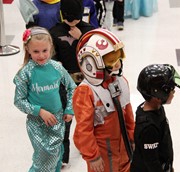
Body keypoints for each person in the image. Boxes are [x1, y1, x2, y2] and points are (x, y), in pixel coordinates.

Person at [13, 26, 76, 172]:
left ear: (51, 48)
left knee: (57, 156)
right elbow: (18, 101)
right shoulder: (25, 74)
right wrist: (39, 111)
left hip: (58, 120)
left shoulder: (57, 68)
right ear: (28, 49)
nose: (41, 55)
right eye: (36, 52)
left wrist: (69, 109)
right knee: (43, 161)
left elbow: (72, 87)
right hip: (37, 124)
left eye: (45, 51)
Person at [73, 28, 135, 172]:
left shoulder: (121, 81)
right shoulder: (86, 91)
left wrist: (132, 138)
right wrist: (92, 156)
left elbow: (128, 115)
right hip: (102, 152)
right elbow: (83, 129)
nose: (118, 65)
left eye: (119, 59)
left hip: (123, 147)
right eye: (112, 62)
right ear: (92, 64)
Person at [49, 0, 94, 167]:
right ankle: (63, 155)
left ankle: (87, 146)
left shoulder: (89, 31)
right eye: (68, 19)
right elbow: (51, 56)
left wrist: (81, 38)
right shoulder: (54, 32)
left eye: (75, 19)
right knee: (65, 119)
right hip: (64, 82)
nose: (71, 23)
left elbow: (96, 54)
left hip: (88, 82)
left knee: (88, 117)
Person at [130, 64, 180, 172]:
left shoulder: (157, 107)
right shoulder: (148, 127)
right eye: (171, 89)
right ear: (158, 94)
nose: (173, 92)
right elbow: (151, 162)